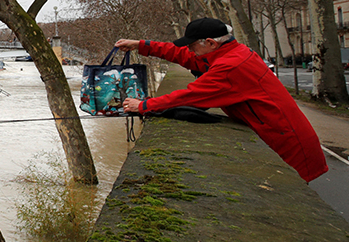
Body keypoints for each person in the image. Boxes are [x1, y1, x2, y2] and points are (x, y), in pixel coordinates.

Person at [115, 17, 327, 182]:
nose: (189, 49)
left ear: (209, 43)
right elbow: (182, 55)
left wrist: (143, 105)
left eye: (192, 45)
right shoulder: (229, 53)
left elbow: (190, 95)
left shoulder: (229, 67)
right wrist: (141, 45)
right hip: (282, 136)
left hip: (289, 146)